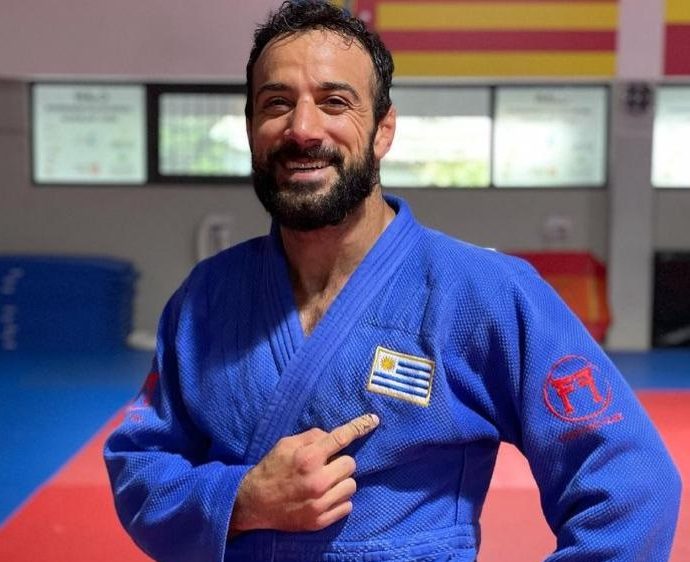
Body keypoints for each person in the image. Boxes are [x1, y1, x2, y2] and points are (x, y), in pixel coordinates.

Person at [104, 1, 682, 560]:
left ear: (383, 130)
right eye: (276, 103)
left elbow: (634, 485)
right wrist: (241, 501)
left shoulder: (484, 294)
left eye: (334, 102)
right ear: (253, 127)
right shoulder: (206, 299)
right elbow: (139, 465)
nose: (302, 128)